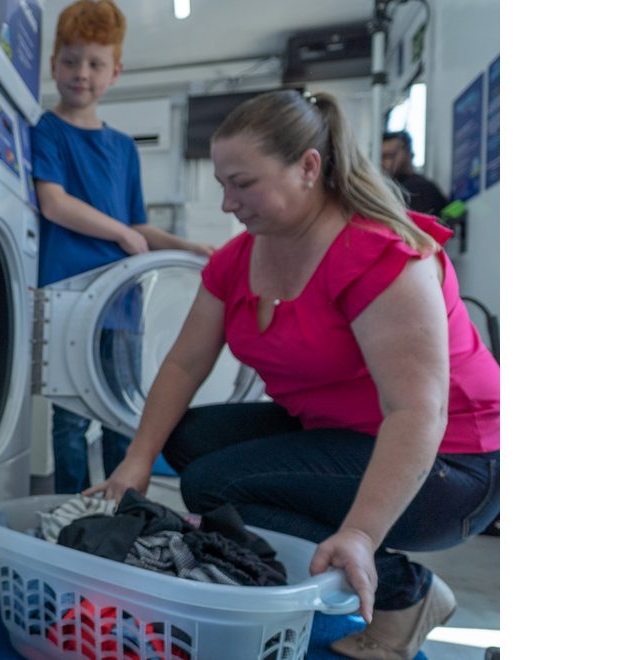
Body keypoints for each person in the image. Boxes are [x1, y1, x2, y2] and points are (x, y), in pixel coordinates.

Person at [86, 90, 499, 660]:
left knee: (212, 487)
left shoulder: (381, 253)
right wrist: (134, 461)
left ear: (309, 167)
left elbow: (417, 412)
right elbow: (184, 362)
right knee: (187, 440)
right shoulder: (241, 257)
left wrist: (361, 533)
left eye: (243, 184)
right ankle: (345, 560)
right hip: (344, 431)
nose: (229, 203)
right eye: (223, 184)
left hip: (455, 466)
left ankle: (407, 591)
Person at [31, 0, 213, 494]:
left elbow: (139, 227)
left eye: (95, 64)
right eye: (70, 61)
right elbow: (53, 203)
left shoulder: (123, 148)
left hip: (123, 302)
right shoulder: (48, 131)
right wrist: (119, 234)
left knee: (121, 413)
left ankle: (121, 506)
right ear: (53, 65)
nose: (81, 74)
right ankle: (72, 510)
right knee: (69, 422)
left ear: (115, 72)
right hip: (68, 294)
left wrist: (186, 246)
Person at [381, 130, 450, 218]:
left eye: (389, 156)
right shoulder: (394, 188)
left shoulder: (419, 188)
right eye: (380, 157)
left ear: (410, 154)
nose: (382, 162)